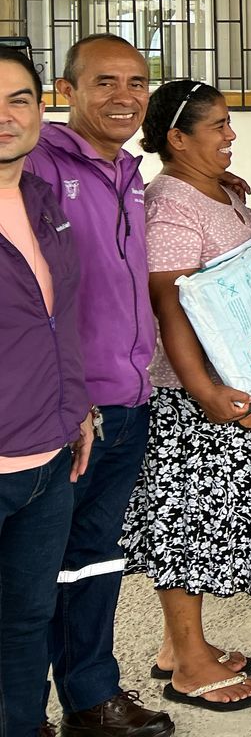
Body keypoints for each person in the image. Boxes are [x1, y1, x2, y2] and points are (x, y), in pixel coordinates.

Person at [122, 80, 251, 713]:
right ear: (177, 139)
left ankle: (178, 647)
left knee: (210, 524)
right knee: (188, 527)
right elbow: (170, 301)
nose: (232, 134)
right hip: (198, 393)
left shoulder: (221, 192)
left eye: (230, 122)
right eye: (219, 126)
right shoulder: (171, 206)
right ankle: (189, 663)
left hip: (240, 379)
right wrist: (203, 388)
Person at [26, 34, 174, 737]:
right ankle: (21, 710)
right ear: (68, 90)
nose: (124, 96)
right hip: (64, 408)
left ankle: (91, 698)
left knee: (94, 560)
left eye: (137, 82)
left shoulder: (129, 172)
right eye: (105, 82)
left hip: (127, 400)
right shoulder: (38, 165)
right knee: (33, 568)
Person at [0, 46, 95, 737]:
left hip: (49, 455)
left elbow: (60, 316)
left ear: (41, 109)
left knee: (26, 620)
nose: (5, 116)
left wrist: (77, 406)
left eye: (19, 99)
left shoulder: (40, 200)